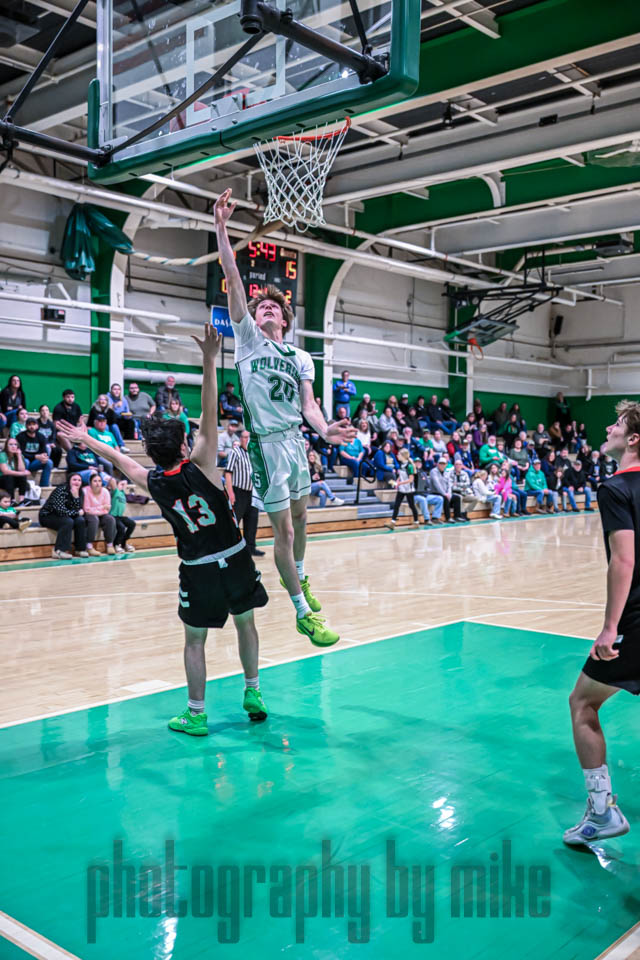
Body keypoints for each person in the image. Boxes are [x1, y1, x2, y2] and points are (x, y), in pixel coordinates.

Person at [57, 323, 270, 735]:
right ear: (185, 446)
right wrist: (209, 359)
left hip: (198, 568)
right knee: (245, 623)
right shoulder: (203, 463)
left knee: (195, 640)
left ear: (153, 453)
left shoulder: (152, 480)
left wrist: (85, 438)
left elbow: (118, 459)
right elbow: (210, 410)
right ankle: (253, 690)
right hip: (235, 557)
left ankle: (196, 714)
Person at [215, 187, 354, 648]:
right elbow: (233, 278)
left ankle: (300, 575)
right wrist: (221, 227)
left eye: (274, 306)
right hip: (266, 447)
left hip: (296, 442)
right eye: (261, 307)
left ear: (286, 319)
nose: (266, 308)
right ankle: (302, 614)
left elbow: (309, 405)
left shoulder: (301, 357)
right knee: (285, 529)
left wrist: (326, 430)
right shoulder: (248, 340)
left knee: (302, 519)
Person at [564, 400, 640, 845]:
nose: (609, 427)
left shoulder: (615, 488)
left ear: (633, 439)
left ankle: (601, 811)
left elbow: (623, 560)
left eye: (617, 424)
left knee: (582, 703)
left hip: (636, 623)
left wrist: (610, 627)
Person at [224, 428, 263, 557]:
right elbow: (228, 473)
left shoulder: (255, 454)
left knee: (252, 521)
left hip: (253, 493)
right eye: (245, 437)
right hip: (239, 492)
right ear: (240, 439)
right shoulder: (235, 452)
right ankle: (230, 549)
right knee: (235, 522)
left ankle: (250, 548)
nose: (247, 440)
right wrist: (230, 493)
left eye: (249, 438)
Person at [38, 473, 88, 560]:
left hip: (65, 515)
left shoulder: (80, 492)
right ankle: (59, 551)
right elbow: (60, 510)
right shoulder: (61, 490)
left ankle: (80, 549)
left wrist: (76, 497)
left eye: (79, 480)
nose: (77, 482)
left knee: (80, 520)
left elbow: (78, 510)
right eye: (74, 480)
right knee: (68, 521)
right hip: (48, 515)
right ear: (69, 481)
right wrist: (76, 513)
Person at [82, 473, 117, 556]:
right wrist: (101, 507)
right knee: (94, 519)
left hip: (100, 514)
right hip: (88, 515)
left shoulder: (105, 491)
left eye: (99, 481)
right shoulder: (85, 491)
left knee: (110, 519)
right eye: (95, 481)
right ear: (90, 483)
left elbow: (107, 509)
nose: (97, 483)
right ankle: (89, 546)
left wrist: (96, 509)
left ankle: (110, 545)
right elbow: (87, 509)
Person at [386, 448, 418, 528]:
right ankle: (392, 523)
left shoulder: (409, 466)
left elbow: (411, 480)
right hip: (401, 489)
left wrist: (399, 483)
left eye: (399, 454)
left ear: (403, 456)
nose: (397, 455)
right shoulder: (401, 464)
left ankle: (416, 522)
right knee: (396, 505)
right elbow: (400, 475)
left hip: (409, 489)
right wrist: (397, 481)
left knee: (411, 506)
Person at [16, 417, 53, 487]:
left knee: (49, 462)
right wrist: (35, 456)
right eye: (29, 425)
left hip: (35, 462)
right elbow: (20, 453)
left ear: (37, 426)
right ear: (26, 426)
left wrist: (44, 457)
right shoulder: (20, 437)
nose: (32, 427)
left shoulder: (41, 437)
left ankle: (44, 486)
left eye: (34, 424)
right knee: (26, 461)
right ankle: (22, 485)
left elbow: (44, 451)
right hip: (23, 460)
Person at [430, 455, 463, 522]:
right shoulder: (433, 471)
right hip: (436, 492)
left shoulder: (447, 472)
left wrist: (449, 493)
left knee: (457, 498)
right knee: (444, 498)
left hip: (446, 493)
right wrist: (444, 494)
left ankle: (457, 516)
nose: (442, 465)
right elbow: (437, 484)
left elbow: (449, 484)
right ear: (437, 464)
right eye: (440, 464)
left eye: (444, 464)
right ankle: (448, 518)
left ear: (446, 465)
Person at [109, 477, 137, 553]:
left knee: (132, 524)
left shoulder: (122, 493)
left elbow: (125, 481)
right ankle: (116, 544)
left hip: (120, 516)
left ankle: (123, 543)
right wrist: (116, 483)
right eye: (120, 485)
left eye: (122, 485)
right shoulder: (115, 492)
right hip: (113, 516)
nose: (122, 486)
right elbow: (112, 480)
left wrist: (121, 484)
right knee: (121, 527)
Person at [0, 437, 30, 504]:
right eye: (10, 444)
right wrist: (21, 473)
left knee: (22, 476)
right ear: (6, 446)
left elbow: (21, 470)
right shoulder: (2, 455)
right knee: (9, 476)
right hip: (2, 480)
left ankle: (21, 500)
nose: (13, 446)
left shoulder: (20, 455)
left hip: (12, 481)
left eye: (15, 444)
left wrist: (19, 456)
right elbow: (5, 471)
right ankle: (12, 500)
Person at [414, 460, 444, 524]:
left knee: (440, 499)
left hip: (424, 494)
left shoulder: (423, 473)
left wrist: (427, 491)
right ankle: (427, 519)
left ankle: (435, 518)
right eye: (416, 462)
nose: (418, 464)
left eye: (419, 462)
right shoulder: (412, 473)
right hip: (415, 495)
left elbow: (427, 485)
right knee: (423, 500)